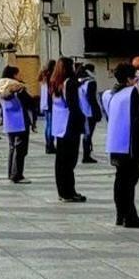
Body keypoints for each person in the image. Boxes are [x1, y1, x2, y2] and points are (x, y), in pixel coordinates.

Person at [100, 62, 139, 228]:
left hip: (114, 142)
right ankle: (130, 216)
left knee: (120, 180)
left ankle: (120, 214)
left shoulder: (108, 94)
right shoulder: (131, 92)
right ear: (130, 79)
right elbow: (138, 120)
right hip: (129, 143)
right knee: (130, 182)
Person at [50, 57, 86, 202]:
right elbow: (74, 105)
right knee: (70, 161)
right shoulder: (69, 83)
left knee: (61, 160)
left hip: (59, 124)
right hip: (70, 124)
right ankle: (69, 192)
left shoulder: (54, 82)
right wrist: (82, 119)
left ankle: (62, 191)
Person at [0, 65, 34, 183]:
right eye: (19, 73)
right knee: (20, 149)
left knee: (12, 148)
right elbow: (29, 102)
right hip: (20, 120)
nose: (20, 75)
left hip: (9, 120)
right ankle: (17, 175)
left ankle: (11, 173)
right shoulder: (17, 87)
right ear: (13, 75)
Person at [77, 63, 103, 164]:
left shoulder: (80, 82)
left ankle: (86, 154)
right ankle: (86, 156)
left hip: (82, 111)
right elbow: (92, 99)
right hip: (89, 112)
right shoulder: (91, 82)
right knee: (88, 134)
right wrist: (97, 112)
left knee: (86, 134)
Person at [38, 61, 56, 154]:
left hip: (44, 103)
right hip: (49, 103)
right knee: (51, 125)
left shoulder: (43, 76)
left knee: (48, 124)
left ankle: (48, 144)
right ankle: (50, 145)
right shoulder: (50, 76)